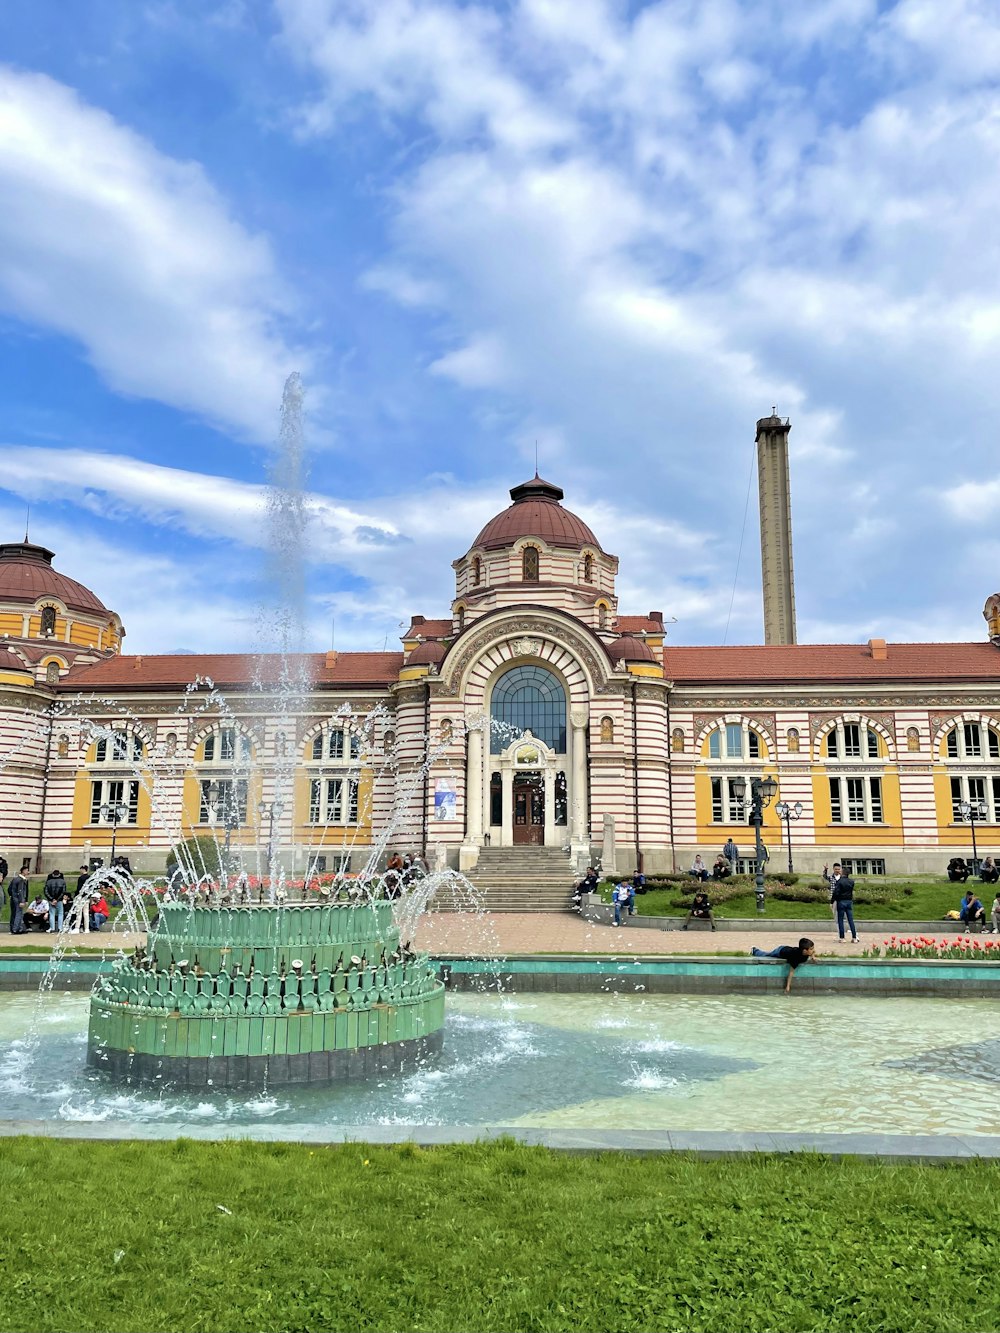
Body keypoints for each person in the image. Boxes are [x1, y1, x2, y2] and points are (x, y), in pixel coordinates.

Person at [750, 938, 817, 993]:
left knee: (767, 954)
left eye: (812, 948)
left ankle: (755, 950)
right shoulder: (796, 957)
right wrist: (788, 986)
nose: (813, 950)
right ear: (805, 951)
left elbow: (813, 952)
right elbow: (791, 972)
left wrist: (813, 957)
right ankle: (754, 950)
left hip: (787, 948)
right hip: (780, 951)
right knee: (766, 955)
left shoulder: (806, 952)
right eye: (811, 949)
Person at [824, 862, 858, 943]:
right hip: (849, 901)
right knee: (850, 920)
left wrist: (832, 901)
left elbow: (836, 892)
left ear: (842, 872)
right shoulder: (851, 881)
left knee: (840, 920)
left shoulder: (839, 881)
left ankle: (842, 938)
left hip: (840, 901)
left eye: (840, 870)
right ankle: (854, 937)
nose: (838, 871)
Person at [43, 868, 67, 933]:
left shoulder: (48, 882)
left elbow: (46, 892)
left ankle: (52, 928)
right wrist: (57, 899)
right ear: (59, 874)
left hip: (51, 900)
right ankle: (60, 928)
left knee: (52, 913)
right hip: (59, 900)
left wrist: (51, 899)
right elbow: (63, 892)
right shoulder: (62, 881)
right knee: (60, 913)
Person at [7, 869, 27, 934]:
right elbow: (20, 891)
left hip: (13, 898)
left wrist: (11, 895)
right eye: (27, 870)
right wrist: (22, 900)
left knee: (13, 914)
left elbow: (9, 889)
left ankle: (12, 928)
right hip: (18, 899)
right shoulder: (21, 880)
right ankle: (16, 929)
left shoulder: (14, 879)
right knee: (19, 914)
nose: (28, 872)